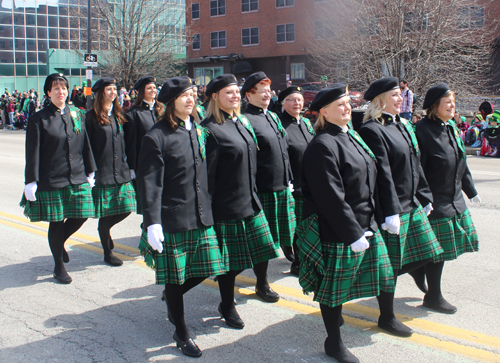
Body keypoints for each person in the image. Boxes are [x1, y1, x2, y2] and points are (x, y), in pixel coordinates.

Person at [298, 83, 394, 363]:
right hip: (338, 229)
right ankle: (333, 342)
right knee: (334, 292)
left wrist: (380, 217)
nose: (347, 107)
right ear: (324, 113)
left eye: (348, 103)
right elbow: (330, 196)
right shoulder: (322, 145)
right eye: (340, 105)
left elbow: (370, 179)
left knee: (381, 278)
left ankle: (379, 319)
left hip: (366, 223)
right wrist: (352, 233)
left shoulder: (351, 136)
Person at [137, 77, 226, 357]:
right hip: (172, 217)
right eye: (184, 95)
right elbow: (150, 182)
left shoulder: (197, 131)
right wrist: (152, 221)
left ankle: (171, 298)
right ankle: (181, 331)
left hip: (201, 213)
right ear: (171, 102)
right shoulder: (157, 136)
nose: (191, 99)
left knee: (208, 267)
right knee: (175, 279)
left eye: (193, 94)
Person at [358, 77, 443, 336]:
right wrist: (391, 211)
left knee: (431, 252)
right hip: (391, 207)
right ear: (380, 100)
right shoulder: (372, 130)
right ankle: (387, 316)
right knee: (391, 268)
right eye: (394, 95)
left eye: (401, 95)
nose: (400, 99)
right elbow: (382, 173)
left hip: (412, 203)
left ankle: (415, 271)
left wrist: (425, 195)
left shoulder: (403, 125)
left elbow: (415, 164)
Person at [201, 74, 279, 329]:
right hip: (226, 205)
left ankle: (260, 284)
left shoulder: (241, 121)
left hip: (251, 200)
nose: (235, 96)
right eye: (228, 92)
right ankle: (227, 304)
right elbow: (206, 177)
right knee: (230, 264)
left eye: (236, 92)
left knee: (260, 251)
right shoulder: (210, 129)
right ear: (214, 97)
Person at [21, 73, 96, 284]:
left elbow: (86, 144)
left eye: (63, 88)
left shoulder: (77, 114)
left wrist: (91, 171)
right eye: (55, 88)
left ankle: (59, 241)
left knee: (83, 214)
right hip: (52, 179)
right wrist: (31, 181)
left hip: (77, 175)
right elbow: (32, 151)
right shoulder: (39, 118)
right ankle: (58, 266)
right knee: (56, 222)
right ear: (48, 92)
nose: (60, 92)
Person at [414, 83, 480, 313]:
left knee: (440, 250)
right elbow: (417, 170)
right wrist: (424, 199)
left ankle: (419, 269)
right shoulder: (421, 131)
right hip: (433, 202)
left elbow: (462, 160)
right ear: (435, 106)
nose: (453, 105)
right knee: (437, 252)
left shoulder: (451, 126)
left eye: (453, 101)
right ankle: (433, 296)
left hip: (453, 198)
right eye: (448, 102)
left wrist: (471, 191)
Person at [241, 72, 296, 302]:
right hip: (261, 190)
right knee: (262, 243)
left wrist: (290, 179)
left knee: (282, 235)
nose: (267, 95)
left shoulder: (273, 117)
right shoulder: (245, 120)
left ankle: (295, 263)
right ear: (249, 95)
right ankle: (261, 284)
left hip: (282, 187)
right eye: (261, 91)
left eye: (268, 91)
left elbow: (284, 152)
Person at [85, 77, 137, 266]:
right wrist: (90, 172)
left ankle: (105, 231)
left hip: (121, 172)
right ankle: (107, 253)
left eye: (115, 89)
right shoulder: (90, 117)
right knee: (105, 217)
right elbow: (87, 146)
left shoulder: (118, 115)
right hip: (103, 174)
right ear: (100, 94)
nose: (113, 92)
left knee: (128, 207)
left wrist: (130, 167)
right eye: (109, 89)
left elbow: (125, 143)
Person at [277, 86, 315, 276]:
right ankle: (298, 263)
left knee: (307, 225)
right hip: (293, 184)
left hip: (310, 183)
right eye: (292, 99)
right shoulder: (279, 124)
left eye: (299, 100)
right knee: (299, 227)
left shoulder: (307, 123)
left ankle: (301, 256)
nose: (297, 103)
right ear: (283, 103)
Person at [124, 76, 163, 214]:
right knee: (149, 207)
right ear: (142, 91)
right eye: (149, 88)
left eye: (154, 87)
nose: (153, 90)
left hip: (164, 163)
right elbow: (131, 143)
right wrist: (132, 168)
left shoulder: (161, 110)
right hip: (146, 166)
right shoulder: (133, 114)